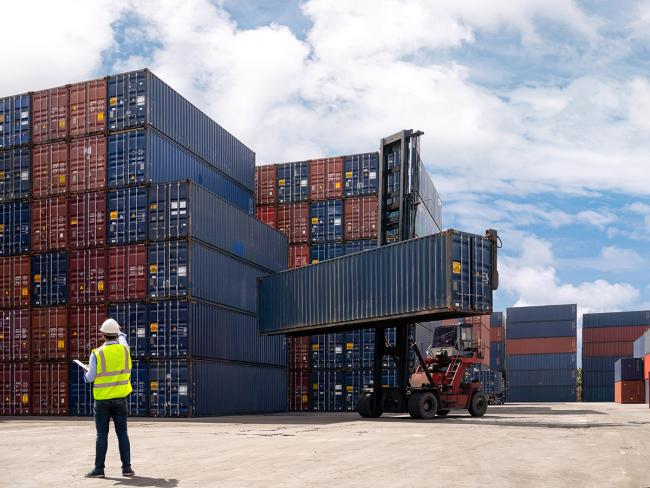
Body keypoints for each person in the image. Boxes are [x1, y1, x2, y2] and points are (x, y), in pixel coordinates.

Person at [84, 318, 135, 478]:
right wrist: (120, 333)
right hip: (121, 399)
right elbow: (123, 339)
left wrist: (85, 374)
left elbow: (90, 378)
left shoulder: (97, 353)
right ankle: (127, 468)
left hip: (102, 401)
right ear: (116, 334)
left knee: (102, 435)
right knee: (122, 433)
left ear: (102, 335)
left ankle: (99, 469)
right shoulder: (125, 350)